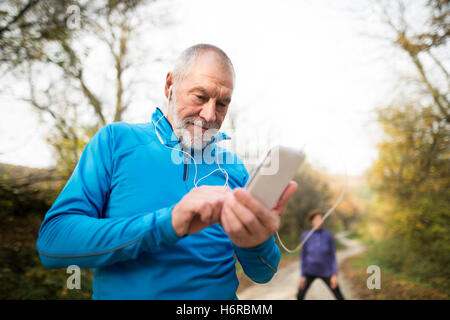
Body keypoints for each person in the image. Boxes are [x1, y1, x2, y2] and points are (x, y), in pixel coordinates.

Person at [36, 44, 298, 299]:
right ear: (170, 85)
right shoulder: (115, 142)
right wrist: (169, 222)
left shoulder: (235, 169)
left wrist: (256, 242)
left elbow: (263, 273)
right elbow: (53, 243)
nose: (209, 115)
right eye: (200, 96)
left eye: (222, 104)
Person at [297, 209, 345, 300]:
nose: (319, 221)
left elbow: (332, 256)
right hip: (309, 271)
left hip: (326, 272)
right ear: (312, 221)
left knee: (339, 296)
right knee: (300, 295)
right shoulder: (305, 235)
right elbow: (303, 256)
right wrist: (303, 275)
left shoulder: (328, 235)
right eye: (317, 219)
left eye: (321, 219)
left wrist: (334, 275)